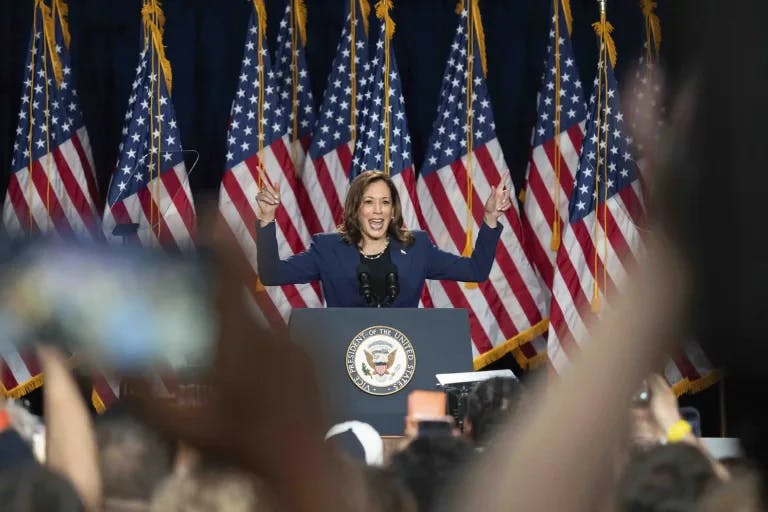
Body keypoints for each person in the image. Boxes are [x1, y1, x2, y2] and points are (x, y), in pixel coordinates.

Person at [254, 170, 512, 307]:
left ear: (393, 210)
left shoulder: (416, 247)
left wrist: (490, 218)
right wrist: (267, 219)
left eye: (385, 202)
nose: (378, 210)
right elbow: (272, 274)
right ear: (355, 208)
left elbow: (476, 270)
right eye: (369, 202)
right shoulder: (328, 249)